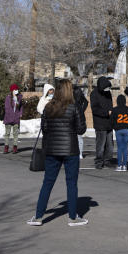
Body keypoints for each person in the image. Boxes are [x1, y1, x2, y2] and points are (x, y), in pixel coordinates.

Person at [27, 79, 88, 227]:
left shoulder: (48, 107)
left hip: (52, 149)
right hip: (70, 149)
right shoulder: (74, 107)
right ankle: (73, 217)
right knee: (71, 183)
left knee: (47, 182)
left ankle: (38, 216)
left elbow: (45, 128)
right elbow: (81, 129)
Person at [89, 77, 115, 169]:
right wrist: (106, 112)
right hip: (100, 123)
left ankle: (108, 160)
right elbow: (95, 109)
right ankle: (99, 161)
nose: (107, 90)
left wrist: (111, 111)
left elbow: (110, 105)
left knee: (110, 144)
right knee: (100, 144)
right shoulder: (94, 94)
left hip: (109, 123)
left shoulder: (108, 93)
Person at [111, 94, 128, 171]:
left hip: (118, 130)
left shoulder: (114, 110)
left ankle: (120, 165)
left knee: (120, 148)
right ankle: (125, 165)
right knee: (125, 148)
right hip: (126, 130)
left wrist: (115, 128)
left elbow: (112, 121)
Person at [3, 84, 23, 154]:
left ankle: (15, 147)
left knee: (16, 133)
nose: (16, 91)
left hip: (16, 118)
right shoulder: (8, 98)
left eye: (17, 89)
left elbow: (20, 107)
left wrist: (20, 113)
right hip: (8, 118)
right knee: (7, 133)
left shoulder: (19, 97)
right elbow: (6, 108)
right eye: (14, 90)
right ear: (12, 90)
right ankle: (6, 147)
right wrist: (9, 115)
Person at [73, 80, 89, 160]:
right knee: (79, 136)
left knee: (73, 136)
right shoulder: (80, 94)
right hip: (80, 116)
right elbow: (86, 102)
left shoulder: (72, 95)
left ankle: (75, 152)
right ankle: (80, 153)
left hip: (74, 116)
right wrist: (82, 110)